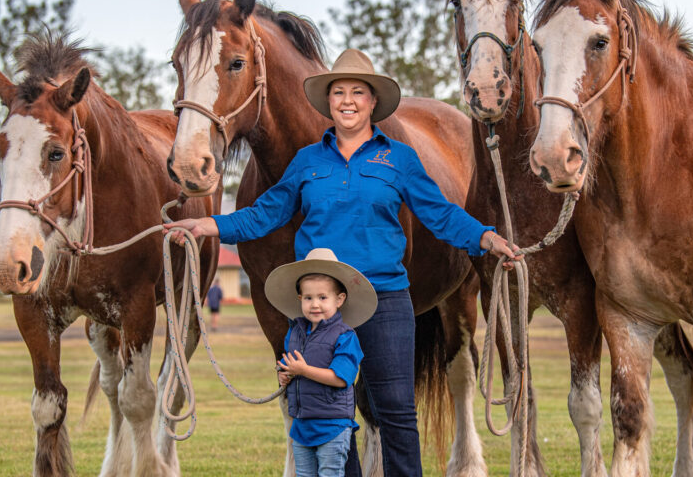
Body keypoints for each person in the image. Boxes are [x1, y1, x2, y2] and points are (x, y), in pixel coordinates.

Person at [164, 48, 521, 476]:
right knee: (329, 417)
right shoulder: (308, 162)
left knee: (396, 415)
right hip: (326, 307)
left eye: (358, 92)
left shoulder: (399, 159)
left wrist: (482, 236)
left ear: (372, 102)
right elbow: (267, 212)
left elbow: (438, 212)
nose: (348, 100)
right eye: (338, 93)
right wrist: (212, 226)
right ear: (328, 102)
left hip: (386, 299)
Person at [266, 248, 376, 477]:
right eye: (308, 298)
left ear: (339, 299)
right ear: (300, 300)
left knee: (330, 473)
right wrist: (284, 374)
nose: (315, 304)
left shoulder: (345, 337)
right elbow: (288, 365)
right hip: (302, 426)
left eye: (322, 297)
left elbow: (340, 378)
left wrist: (303, 370)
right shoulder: (294, 333)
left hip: (332, 428)